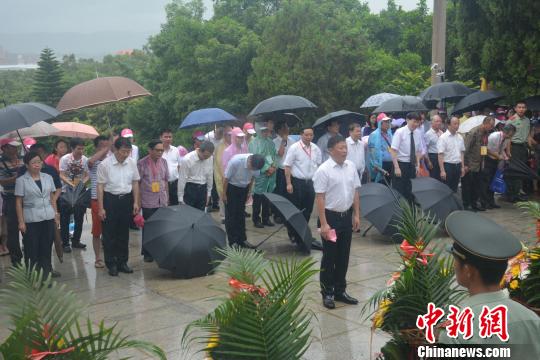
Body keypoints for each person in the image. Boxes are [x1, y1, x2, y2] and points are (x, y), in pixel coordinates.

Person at [439, 211, 540, 359]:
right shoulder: (531, 319)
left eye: (456, 260)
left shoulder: (455, 331)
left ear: (468, 270)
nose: (454, 266)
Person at [314, 135, 361, 310]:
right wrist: (324, 224)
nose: (344, 151)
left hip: (346, 217)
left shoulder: (351, 167)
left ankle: (340, 291)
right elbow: (320, 198)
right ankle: (327, 293)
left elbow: (355, 191)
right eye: (340, 148)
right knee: (329, 257)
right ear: (330, 150)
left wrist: (356, 215)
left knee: (343, 256)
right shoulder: (324, 170)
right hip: (330, 218)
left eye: (345, 147)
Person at [97, 137, 140, 276]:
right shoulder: (105, 164)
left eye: (128, 151)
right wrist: (101, 207)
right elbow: (100, 187)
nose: (125, 154)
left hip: (126, 199)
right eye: (123, 151)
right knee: (109, 234)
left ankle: (122, 262)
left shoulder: (132, 163)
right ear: (115, 149)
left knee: (123, 233)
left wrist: (135, 202)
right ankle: (111, 264)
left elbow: (135, 183)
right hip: (110, 200)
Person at [14, 151, 59, 279]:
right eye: (33, 163)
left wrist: (55, 213)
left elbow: (51, 197)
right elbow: (18, 202)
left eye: (39, 162)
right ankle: (33, 277)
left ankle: (46, 276)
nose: (37, 165)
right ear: (27, 165)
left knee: (46, 249)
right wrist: (21, 221)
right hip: (31, 219)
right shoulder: (21, 180)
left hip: (47, 217)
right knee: (32, 250)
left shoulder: (48, 177)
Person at [283, 127, 322, 248]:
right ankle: (293, 234)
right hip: (297, 182)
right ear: (301, 135)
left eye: (311, 135)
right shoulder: (294, 148)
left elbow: (319, 166)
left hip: (310, 182)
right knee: (296, 210)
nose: (309, 137)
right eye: (306, 135)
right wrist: (289, 183)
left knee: (308, 209)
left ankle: (304, 233)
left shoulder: (315, 148)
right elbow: (287, 166)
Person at [223, 153, 265, 248]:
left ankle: (242, 240)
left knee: (241, 214)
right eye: (252, 167)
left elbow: (253, 178)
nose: (252, 170)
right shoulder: (236, 161)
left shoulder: (256, 165)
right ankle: (232, 241)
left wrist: (249, 191)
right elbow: (225, 178)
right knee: (231, 215)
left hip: (244, 188)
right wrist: (224, 194)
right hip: (231, 188)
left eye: (255, 169)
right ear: (249, 161)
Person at [138, 139, 169, 263]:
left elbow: (166, 180)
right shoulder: (142, 163)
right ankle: (147, 253)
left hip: (162, 199)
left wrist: (167, 199)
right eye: (157, 150)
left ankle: (159, 251)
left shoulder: (164, 162)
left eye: (162, 150)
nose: (160, 153)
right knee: (149, 227)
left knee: (161, 227)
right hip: (148, 200)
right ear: (150, 150)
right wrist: (138, 201)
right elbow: (137, 183)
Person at [59, 137, 89, 253]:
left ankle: (76, 241)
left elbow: (87, 175)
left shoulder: (85, 159)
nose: (81, 151)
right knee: (65, 218)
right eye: (78, 149)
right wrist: (71, 184)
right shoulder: (65, 159)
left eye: (82, 149)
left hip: (80, 191)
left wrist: (81, 184)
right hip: (66, 191)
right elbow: (61, 174)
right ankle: (65, 243)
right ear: (72, 148)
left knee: (79, 217)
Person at [462, 116, 495, 211]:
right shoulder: (473, 133)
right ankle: (466, 205)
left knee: (477, 186)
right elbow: (465, 150)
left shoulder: (486, 133)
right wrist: (466, 164)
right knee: (468, 186)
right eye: (491, 125)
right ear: (485, 123)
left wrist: (483, 161)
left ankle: (474, 204)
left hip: (480, 163)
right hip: (470, 164)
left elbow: (483, 147)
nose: (492, 127)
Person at [88, 135, 111, 268]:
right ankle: (98, 258)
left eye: (107, 145)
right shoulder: (92, 161)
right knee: (97, 231)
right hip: (96, 199)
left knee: (110, 229)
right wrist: (107, 147)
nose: (105, 148)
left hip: (110, 197)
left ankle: (110, 254)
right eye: (102, 145)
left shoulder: (111, 160)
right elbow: (91, 161)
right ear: (97, 147)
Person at [249, 120, 277, 228]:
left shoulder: (270, 142)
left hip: (271, 174)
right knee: (258, 197)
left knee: (267, 197)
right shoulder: (253, 143)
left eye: (267, 131)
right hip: (260, 174)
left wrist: (273, 166)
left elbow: (274, 156)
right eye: (263, 131)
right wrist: (266, 169)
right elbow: (255, 158)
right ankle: (256, 219)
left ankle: (265, 218)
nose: (266, 133)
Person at [506, 101, 535, 202]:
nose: (521, 109)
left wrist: (530, 149)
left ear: (526, 109)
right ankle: (511, 195)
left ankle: (517, 193)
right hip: (513, 148)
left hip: (523, 148)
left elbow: (528, 136)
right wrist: (508, 151)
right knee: (514, 171)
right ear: (515, 108)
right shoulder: (511, 120)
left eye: (523, 107)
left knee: (521, 171)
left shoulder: (527, 120)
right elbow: (507, 138)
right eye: (519, 107)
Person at [0, 139, 23, 266]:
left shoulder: (22, 158)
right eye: (12, 147)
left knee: (29, 229)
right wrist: (16, 178)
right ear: (4, 148)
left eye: (16, 147)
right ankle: (16, 260)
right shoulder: (1, 162)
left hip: (25, 198)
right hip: (11, 198)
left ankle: (32, 256)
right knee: (13, 231)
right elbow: (2, 181)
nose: (15, 149)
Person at [390, 112, 423, 203]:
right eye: (414, 121)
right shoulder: (400, 132)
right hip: (400, 164)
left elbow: (418, 151)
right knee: (399, 191)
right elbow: (393, 151)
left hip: (412, 165)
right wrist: (397, 167)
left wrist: (418, 165)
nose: (416, 124)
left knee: (411, 190)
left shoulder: (418, 133)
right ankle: (400, 214)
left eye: (418, 122)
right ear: (407, 120)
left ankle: (410, 214)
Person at [483, 124, 515, 209]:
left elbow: (501, 150)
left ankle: (491, 201)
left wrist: (505, 157)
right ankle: (485, 202)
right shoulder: (494, 136)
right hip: (488, 160)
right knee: (487, 182)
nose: (511, 136)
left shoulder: (506, 139)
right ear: (506, 132)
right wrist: (498, 156)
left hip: (496, 161)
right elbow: (486, 149)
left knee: (493, 181)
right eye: (511, 134)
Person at [178, 141, 214, 211]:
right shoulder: (187, 159)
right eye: (205, 156)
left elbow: (210, 175)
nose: (206, 158)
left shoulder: (210, 158)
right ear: (199, 150)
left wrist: (209, 193)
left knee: (200, 214)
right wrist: (180, 198)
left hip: (203, 189)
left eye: (208, 157)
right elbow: (182, 179)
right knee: (188, 214)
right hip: (190, 189)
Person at [273, 121, 295, 223]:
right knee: (280, 193)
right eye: (285, 128)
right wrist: (283, 141)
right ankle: (278, 214)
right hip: (280, 171)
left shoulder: (293, 141)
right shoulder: (275, 141)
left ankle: (288, 214)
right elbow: (280, 154)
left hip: (291, 170)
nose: (287, 129)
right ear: (279, 130)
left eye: (287, 127)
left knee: (289, 194)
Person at [437, 116, 465, 193]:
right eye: (455, 124)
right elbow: (440, 155)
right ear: (448, 125)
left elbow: (462, 152)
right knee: (446, 188)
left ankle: (454, 203)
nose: (457, 126)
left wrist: (462, 167)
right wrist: (442, 170)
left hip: (457, 165)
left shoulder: (460, 137)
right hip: (448, 166)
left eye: (458, 123)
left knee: (454, 188)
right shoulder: (443, 138)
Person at [368, 113, 393, 184]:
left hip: (390, 164)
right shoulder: (374, 135)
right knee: (380, 185)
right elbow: (372, 152)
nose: (388, 124)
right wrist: (376, 166)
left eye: (389, 122)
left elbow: (391, 148)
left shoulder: (389, 134)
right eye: (386, 122)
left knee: (389, 185)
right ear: (380, 123)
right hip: (380, 165)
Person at [214, 125, 233, 222]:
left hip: (232, 176)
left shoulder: (234, 145)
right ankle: (223, 216)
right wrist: (224, 176)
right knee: (222, 195)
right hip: (222, 176)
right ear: (225, 135)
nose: (231, 137)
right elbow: (220, 163)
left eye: (232, 134)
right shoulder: (220, 147)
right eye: (229, 135)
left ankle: (230, 214)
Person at [160, 129, 181, 206]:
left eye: (170, 137)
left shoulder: (176, 150)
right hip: (162, 184)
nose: (168, 139)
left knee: (175, 205)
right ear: (161, 138)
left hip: (175, 183)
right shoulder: (158, 151)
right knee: (165, 205)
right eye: (166, 137)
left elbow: (179, 166)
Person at [424, 114, 444, 181]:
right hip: (433, 157)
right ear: (432, 122)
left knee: (442, 176)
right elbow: (425, 149)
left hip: (441, 156)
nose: (439, 123)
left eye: (440, 121)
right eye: (437, 121)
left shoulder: (441, 132)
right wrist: (428, 161)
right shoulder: (428, 134)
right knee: (434, 177)